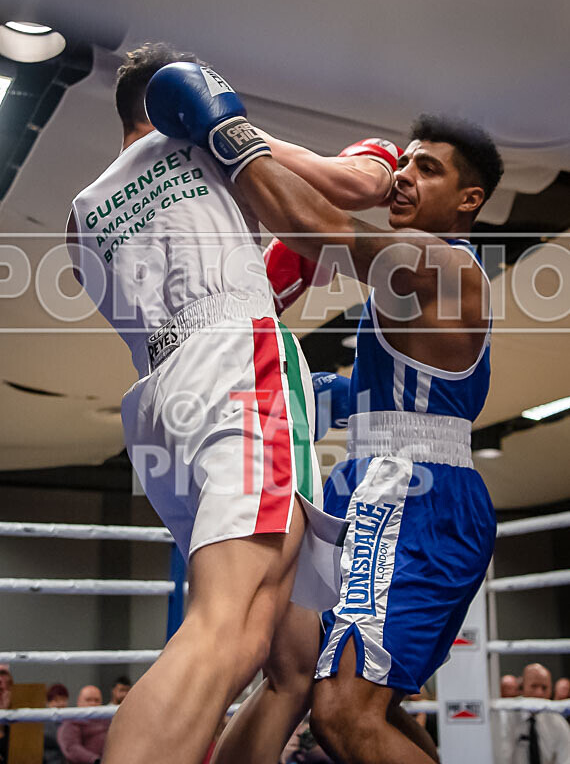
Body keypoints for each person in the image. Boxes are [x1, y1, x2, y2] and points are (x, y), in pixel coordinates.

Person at [143, 61, 503, 764]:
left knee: (344, 714)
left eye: (426, 169)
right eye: (401, 163)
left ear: (469, 199)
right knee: (302, 671)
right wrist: (303, 392)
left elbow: (315, 227)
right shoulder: (410, 285)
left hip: (417, 495)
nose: (401, 176)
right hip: (368, 485)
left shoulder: (442, 265)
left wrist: (225, 129)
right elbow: (373, 393)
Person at [67, 43, 353, 764]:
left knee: (282, 658)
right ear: (182, 96)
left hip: (162, 396)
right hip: (237, 366)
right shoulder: (205, 138)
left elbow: (203, 270)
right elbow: (332, 201)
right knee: (222, 626)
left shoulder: (83, 211)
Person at [496, 664, 570, 763]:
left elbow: (566, 759)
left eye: (544, 688)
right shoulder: (505, 717)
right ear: (521, 688)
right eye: (534, 686)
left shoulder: (558, 722)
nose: (539, 693)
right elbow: (500, 758)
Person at [57, 686, 109, 764]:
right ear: (79, 701)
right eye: (88, 700)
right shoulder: (71, 721)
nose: (93, 703)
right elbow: (71, 748)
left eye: (96, 700)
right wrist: (96, 760)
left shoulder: (107, 720)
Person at [44, 684, 69, 764]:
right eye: (56, 700)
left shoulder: (71, 721)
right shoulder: (43, 722)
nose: (60, 704)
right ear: (48, 703)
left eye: (63, 699)